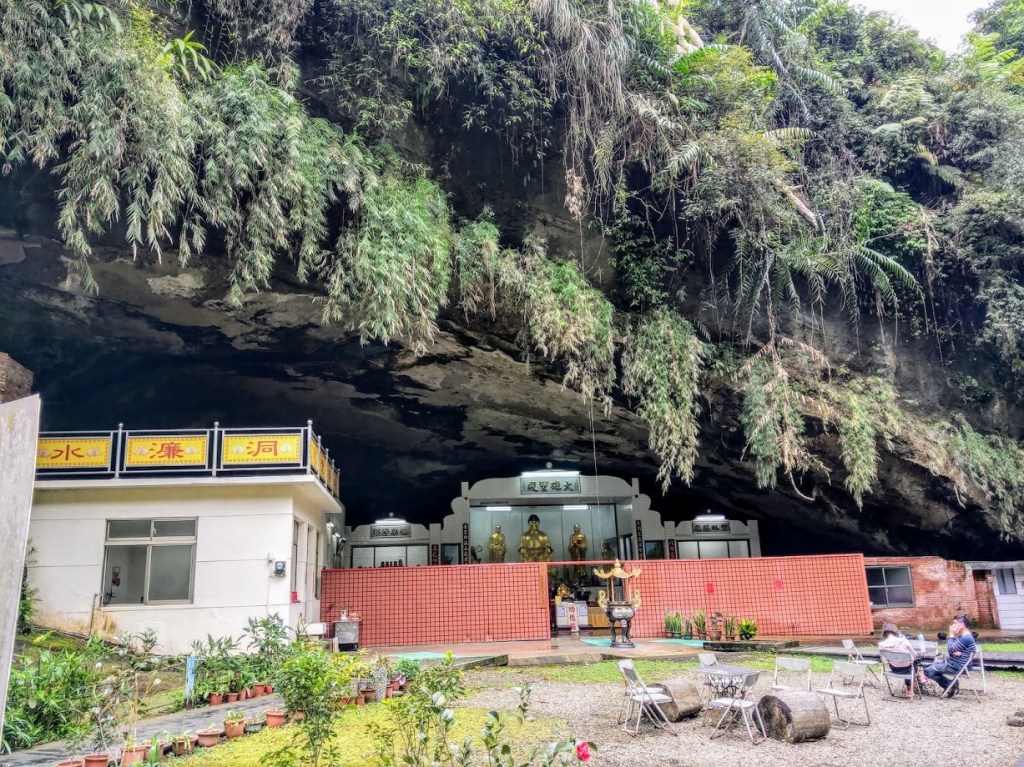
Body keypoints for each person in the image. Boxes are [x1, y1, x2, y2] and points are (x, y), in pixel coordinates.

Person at [923, 614, 978, 695]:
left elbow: (950, 649)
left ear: (962, 625)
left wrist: (951, 634)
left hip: (956, 666)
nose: (952, 626)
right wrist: (953, 651)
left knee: (927, 671)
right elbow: (952, 649)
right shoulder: (963, 636)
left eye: (955, 623)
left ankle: (949, 684)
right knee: (931, 666)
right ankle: (950, 684)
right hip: (954, 662)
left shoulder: (966, 638)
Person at [878, 622, 923, 695]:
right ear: (895, 631)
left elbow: (885, 662)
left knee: (908, 664)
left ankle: (912, 685)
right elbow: (915, 655)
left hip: (894, 669)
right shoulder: (904, 641)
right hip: (908, 668)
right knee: (915, 661)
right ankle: (917, 676)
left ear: (884, 632)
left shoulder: (881, 645)